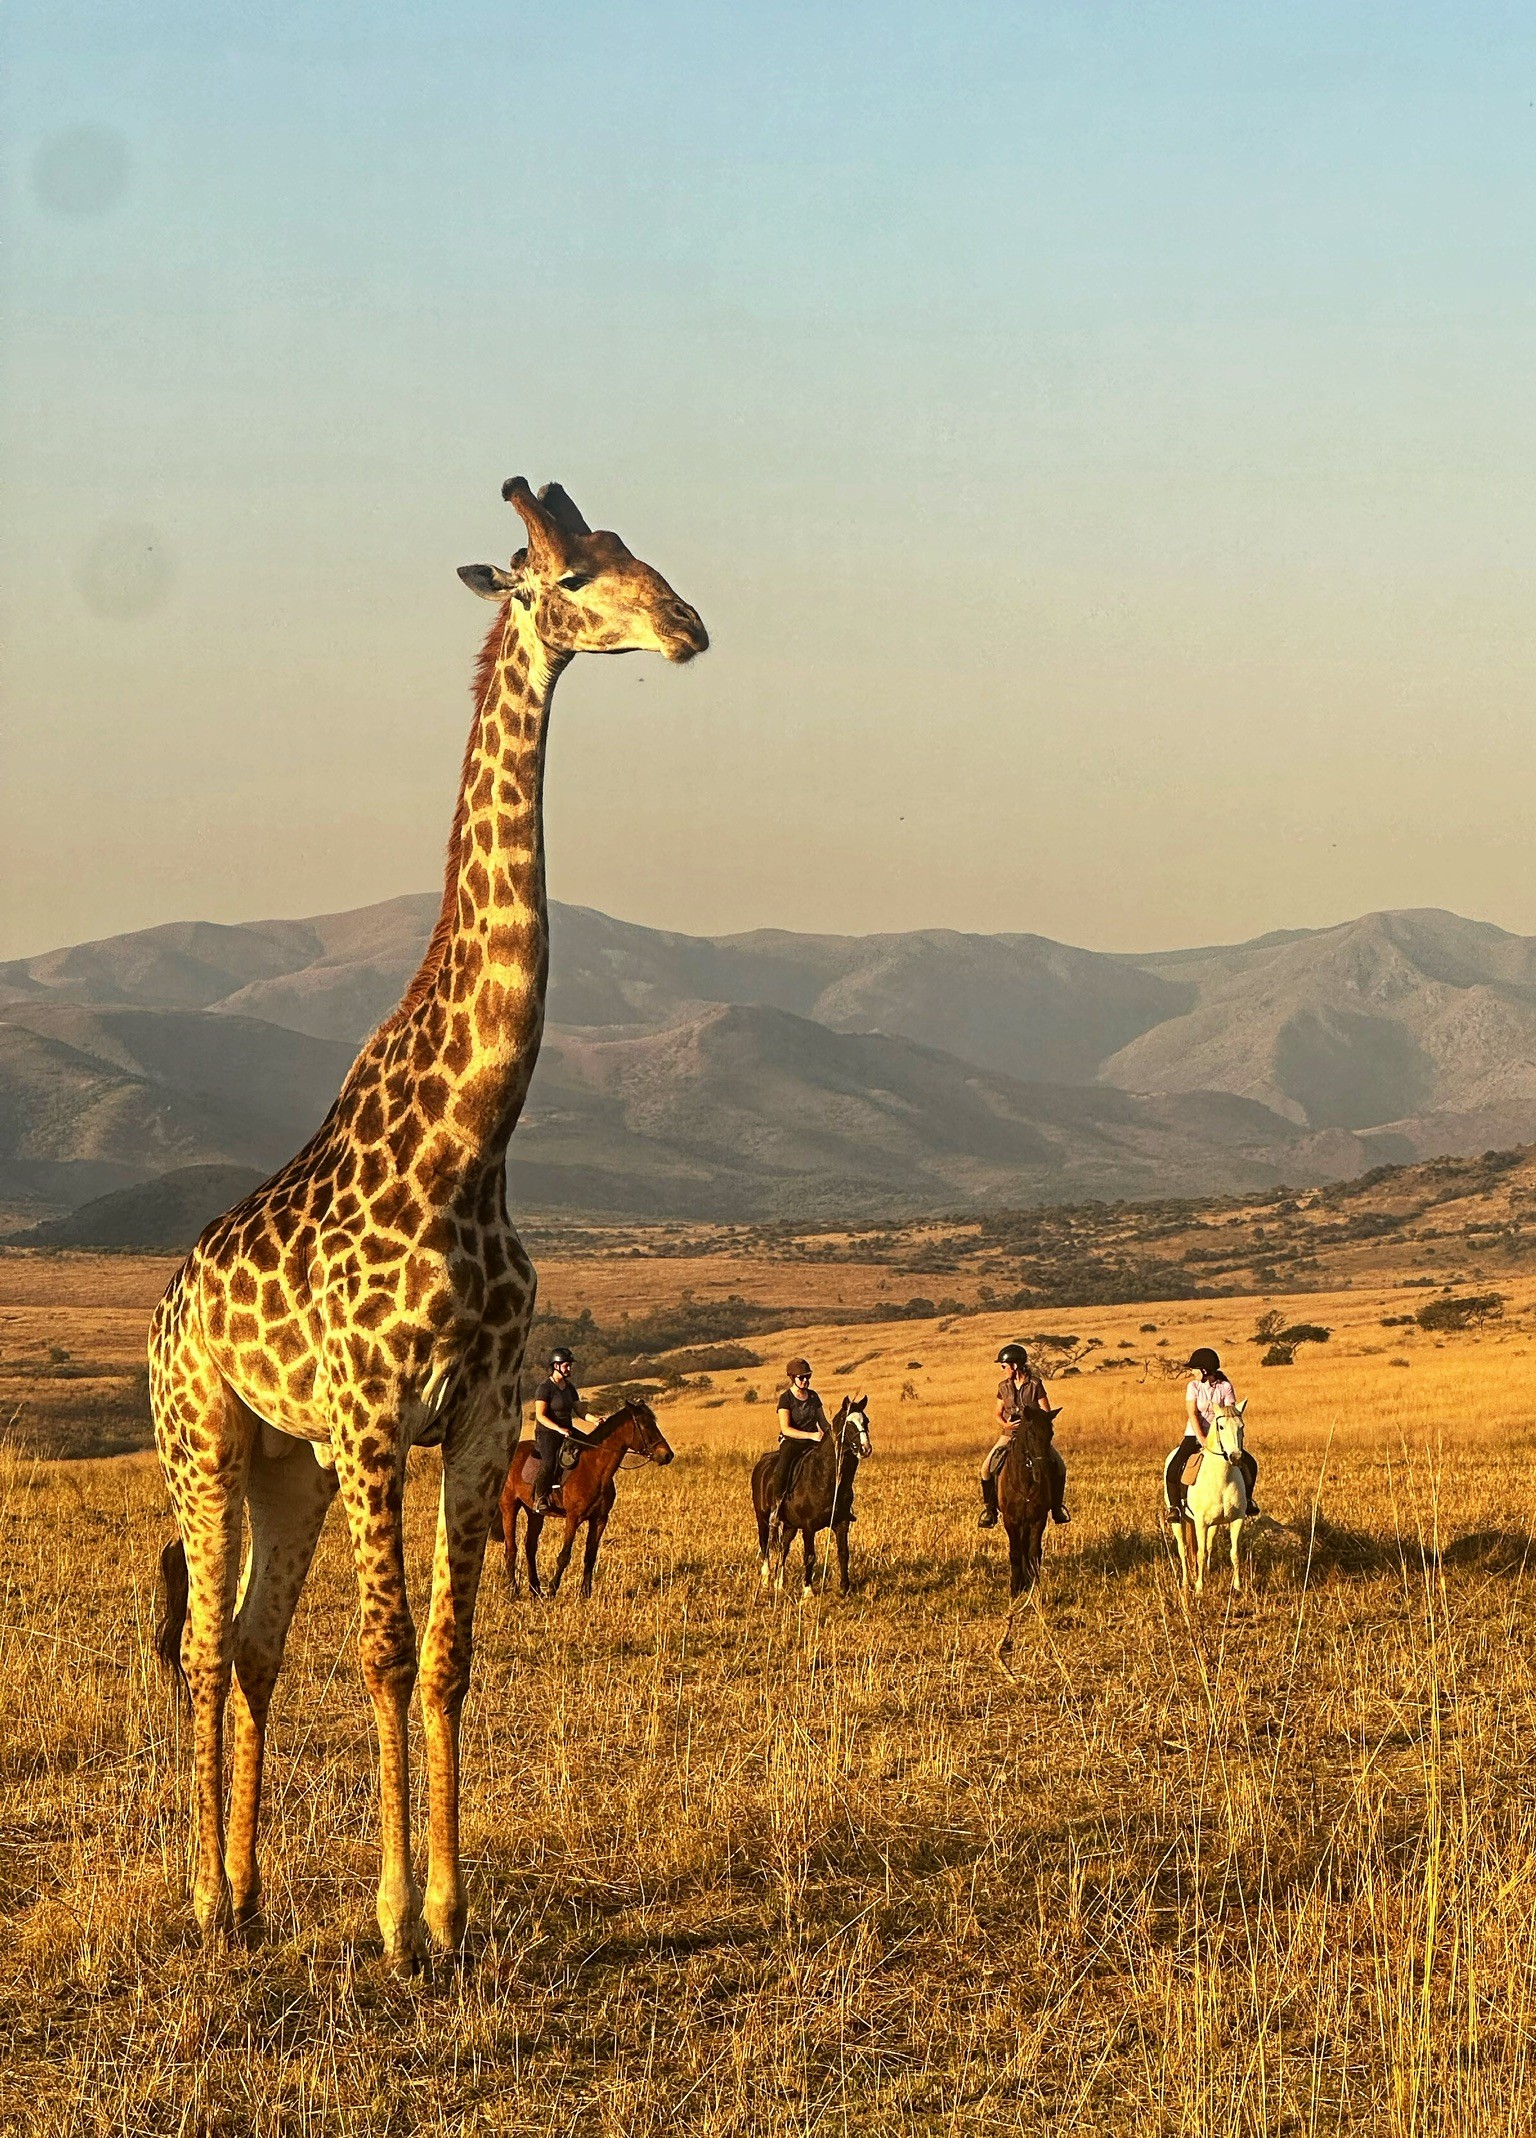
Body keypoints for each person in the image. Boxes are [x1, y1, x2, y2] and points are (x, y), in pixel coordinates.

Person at [979, 1342, 1068, 1529]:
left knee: (1059, 1466)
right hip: (1010, 1433)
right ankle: (990, 1510)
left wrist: (1034, 1425)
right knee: (986, 1469)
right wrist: (1006, 1424)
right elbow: (997, 1412)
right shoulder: (1003, 1386)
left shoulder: (1035, 1384)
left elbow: (1045, 1410)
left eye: (1004, 1367)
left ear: (1015, 1366)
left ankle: (1057, 1508)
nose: (1002, 1370)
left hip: (1033, 1436)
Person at [1165, 1346, 1259, 1521]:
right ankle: (1175, 1507)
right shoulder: (1193, 1387)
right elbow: (1192, 1413)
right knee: (1173, 1468)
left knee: (1250, 1464)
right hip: (1194, 1434)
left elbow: (1230, 1411)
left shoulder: (1225, 1387)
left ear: (1204, 1370)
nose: (1192, 1372)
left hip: (1220, 1436)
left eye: (1194, 1369)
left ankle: (1247, 1500)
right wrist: (1201, 1438)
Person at [531, 1347, 603, 1514]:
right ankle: (540, 1497)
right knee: (549, 1464)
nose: (569, 1369)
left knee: (591, 1449)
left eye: (570, 1365)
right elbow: (540, 1416)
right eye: (566, 1365)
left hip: (567, 1430)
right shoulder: (544, 1388)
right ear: (556, 1366)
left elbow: (580, 1411)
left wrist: (595, 1420)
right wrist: (558, 1429)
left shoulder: (570, 1388)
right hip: (547, 1433)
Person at [772, 1358, 830, 1518]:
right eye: (801, 1377)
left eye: (808, 1377)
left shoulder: (813, 1397)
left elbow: (823, 1422)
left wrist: (832, 1435)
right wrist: (811, 1435)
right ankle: (776, 1507)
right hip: (792, 1441)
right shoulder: (786, 1399)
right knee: (782, 1468)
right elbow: (786, 1429)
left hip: (815, 1441)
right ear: (792, 1378)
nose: (805, 1381)